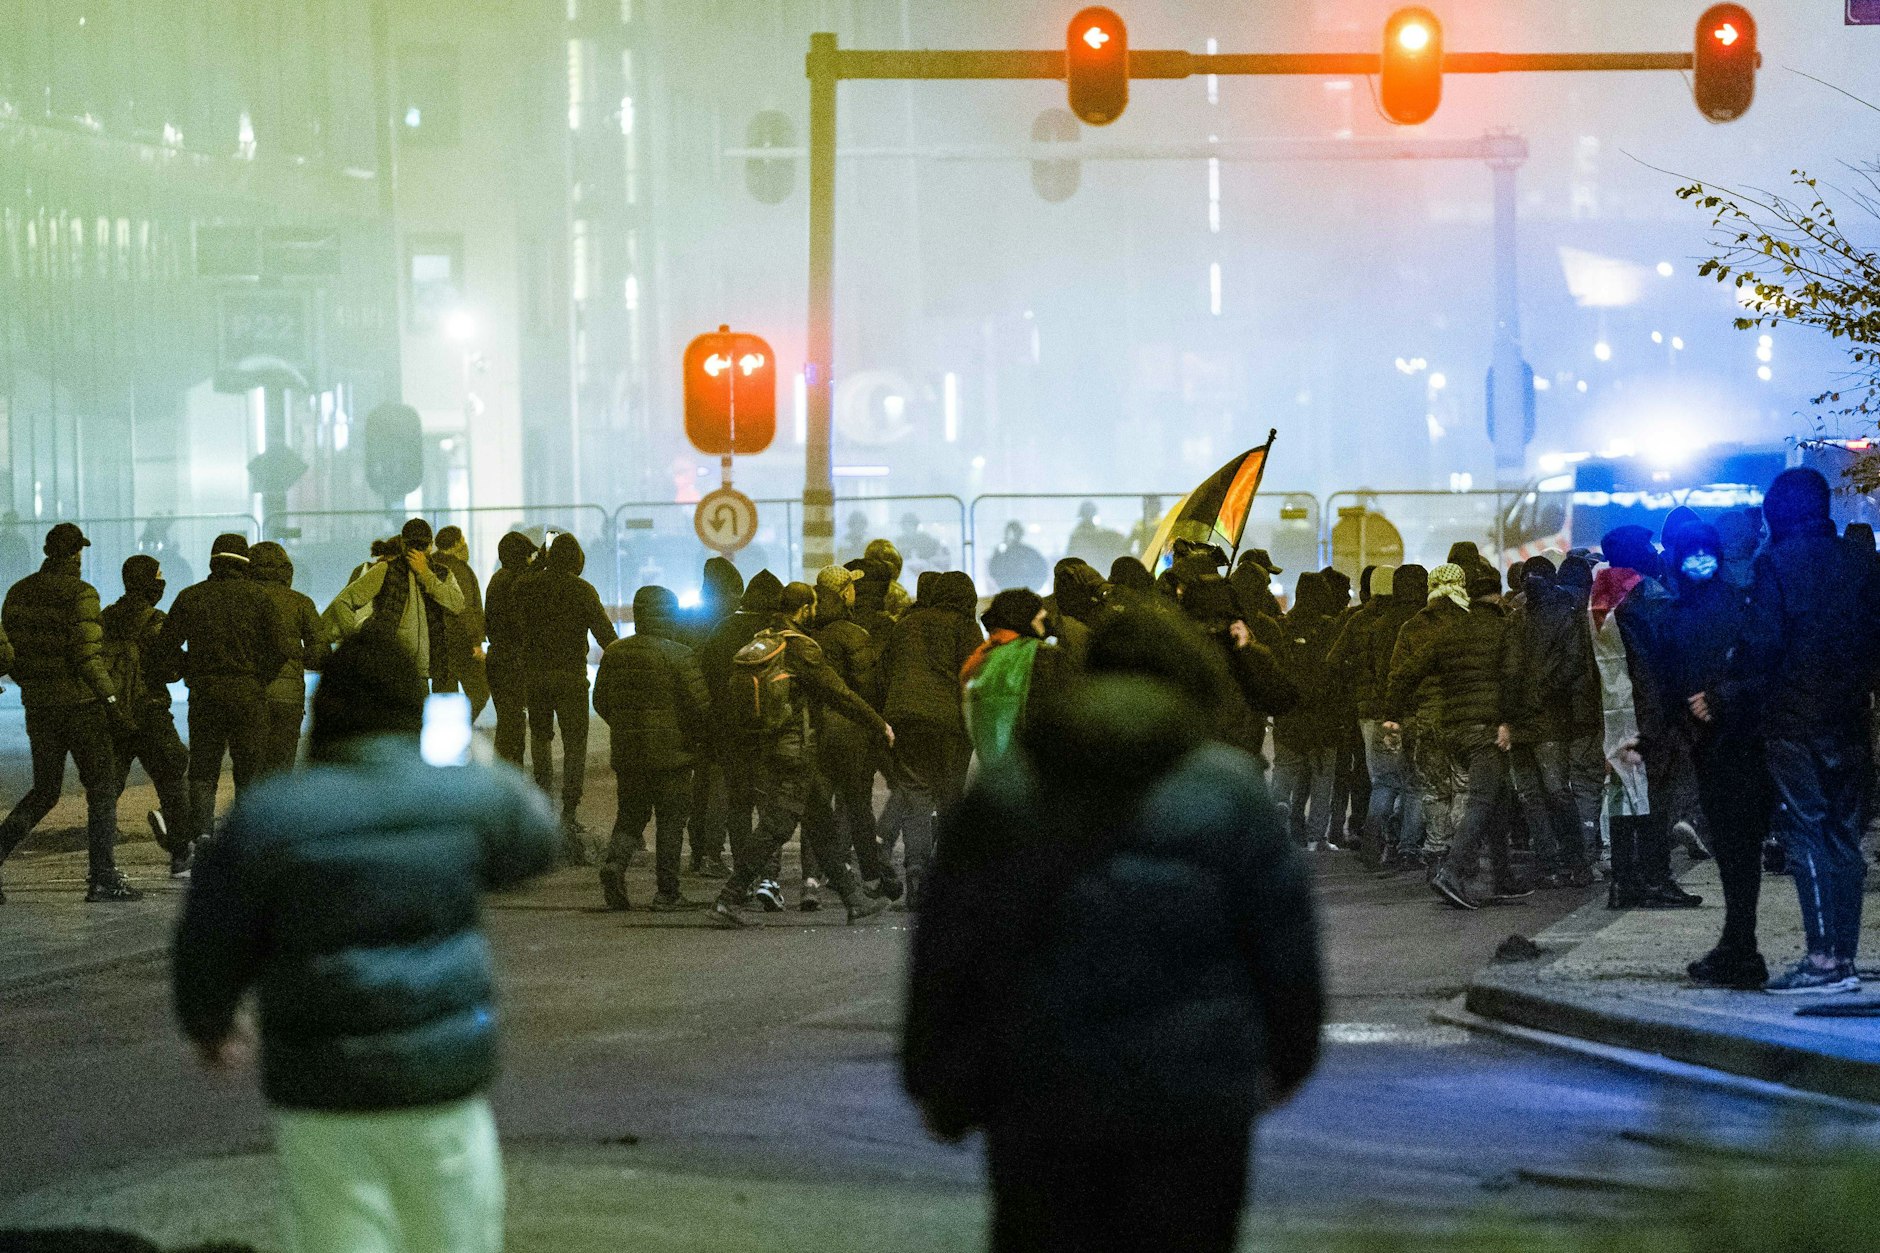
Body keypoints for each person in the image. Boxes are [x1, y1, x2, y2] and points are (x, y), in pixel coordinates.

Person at [903, 600, 1324, 1253]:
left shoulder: (1010, 790)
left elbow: (950, 942)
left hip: (1042, 1091)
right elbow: (1284, 944)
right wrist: (1287, 1058)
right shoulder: (1231, 790)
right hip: (1193, 1099)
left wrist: (937, 1078)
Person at [172, 634, 558, 1253]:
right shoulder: (459, 795)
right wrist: (480, 763)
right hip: (439, 1079)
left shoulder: (270, 813)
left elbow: (209, 939)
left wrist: (211, 1024)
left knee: (337, 1233)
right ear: (414, 709)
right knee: (453, 1233)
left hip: (321, 1085)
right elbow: (537, 841)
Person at [1721, 469, 1880, 993]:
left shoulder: (1778, 565)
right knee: (1844, 837)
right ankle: (1846, 959)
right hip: (1852, 718)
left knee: (1806, 831)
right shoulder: (1863, 562)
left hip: (1793, 719)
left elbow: (1763, 644)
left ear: (1777, 512)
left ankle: (1822, 960)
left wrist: (1733, 685)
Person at [711, 582, 895, 928]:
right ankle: (729, 897)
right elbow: (838, 691)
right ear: (806, 608)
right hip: (795, 749)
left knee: (821, 828)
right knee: (776, 826)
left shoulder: (763, 636)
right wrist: (877, 722)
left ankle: (854, 900)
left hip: (776, 745)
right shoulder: (800, 648)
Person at [1655, 522, 1771, 990]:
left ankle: (1740, 945)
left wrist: (1714, 701)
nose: (1699, 562)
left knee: (1737, 847)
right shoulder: (1735, 604)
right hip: (1728, 742)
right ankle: (1738, 942)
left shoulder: (1687, 611)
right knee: (1736, 847)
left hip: (1730, 744)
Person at [0, 523, 139, 902]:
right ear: (76, 553)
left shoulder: (18, 592)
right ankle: (103, 877)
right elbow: (86, 655)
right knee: (101, 788)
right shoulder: (81, 593)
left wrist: (30, 681)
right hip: (80, 707)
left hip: (39, 705)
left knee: (45, 791)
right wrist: (111, 701)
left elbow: (9, 652)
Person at [1387, 566, 1528, 909]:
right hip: (1487, 728)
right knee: (1482, 799)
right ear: (1495, 598)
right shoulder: (1503, 628)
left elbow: (1406, 672)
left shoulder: (1449, 631)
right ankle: (1451, 872)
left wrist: (1391, 713)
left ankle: (1503, 876)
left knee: (1498, 798)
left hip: (1455, 729)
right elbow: (1512, 678)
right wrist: (1508, 721)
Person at [1590, 526, 1702, 912]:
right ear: (1640, 554)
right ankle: (1656, 878)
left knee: (1623, 796)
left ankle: (1624, 882)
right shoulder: (1648, 595)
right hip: (1654, 713)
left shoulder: (1597, 598)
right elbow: (1675, 653)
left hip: (1613, 715)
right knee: (1656, 796)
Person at [158, 533, 290, 847]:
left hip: (205, 693)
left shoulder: (191, 597)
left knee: (204, 769)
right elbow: (282, 648)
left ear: (213, 561)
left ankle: (202, 834)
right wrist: (260, 677)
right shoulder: (260, 597)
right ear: (245, 562)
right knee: (248, 769)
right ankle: (246, 838)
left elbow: (166, 646)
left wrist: (188, 668)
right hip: (248, 693)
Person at [593, 585, 710, 911]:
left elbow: (600, 701)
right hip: (673, 754)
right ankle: (667, 892)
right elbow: (701, 707)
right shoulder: (680, 654)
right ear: (670, 615)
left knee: (630, 815)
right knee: (671, 820)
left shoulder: (616, 653)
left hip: (629, 751)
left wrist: (624, 726)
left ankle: (614, 864)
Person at [880, 570, 983, 907]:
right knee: (950, 798)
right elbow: (975, 673)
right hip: (948, 723)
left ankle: (916, 871)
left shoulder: (907, 622)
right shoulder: (963, 625)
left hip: (904, 719)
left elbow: (886, 668)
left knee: (915, 798)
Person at [514, 533, 617, 860]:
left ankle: (542, 800)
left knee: (541, 736)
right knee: (575, 743)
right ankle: (569, 811)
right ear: (577, 560)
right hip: (571, 676)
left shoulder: (527, 588)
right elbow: (606, 636)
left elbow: (516, 603)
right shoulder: (582, 590)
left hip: (535, 674)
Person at [1498, 556, 1597, 890]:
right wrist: (1543, 693)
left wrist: (1512, 709)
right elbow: (1573, 665)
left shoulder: (1516, 619)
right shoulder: (1563, 616)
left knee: (1535, 794)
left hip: (1524, 717)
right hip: (1546, 717)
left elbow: (1508, 671)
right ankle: (1573, 861)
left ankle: (1552, 862)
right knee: (1553, 792)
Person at [100, 555, 196, 877]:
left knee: (107, 789)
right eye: (159, 576)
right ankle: (181, 856)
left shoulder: (106, 618)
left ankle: (102, 865)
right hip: (150, 710)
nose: (162, 582)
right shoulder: (156, 620)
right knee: (171, 781)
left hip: (114, 714)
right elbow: (168, 668)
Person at [809, 564, 899, 901]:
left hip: (816, 730)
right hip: (851, 732)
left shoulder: (807, 631)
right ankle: (872, 877)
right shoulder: (852, 633)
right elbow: (865, 687)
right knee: (858, 806)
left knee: (817, 808)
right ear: (844, 591)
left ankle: (812, 882)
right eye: (851, 586)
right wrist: (878, 722)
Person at [698, 571, 785, 901]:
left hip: (729, 732)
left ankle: (741, 870)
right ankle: (767, 875)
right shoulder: (775, 634)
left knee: (739, 804)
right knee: (769, 803)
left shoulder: (723, 629)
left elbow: (706, 676)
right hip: (768, 732)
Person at [323, 519, 466, 689]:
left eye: (422, 544)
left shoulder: (442, 573)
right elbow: (343, 602)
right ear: (404, 544)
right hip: (392, 668)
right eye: (413, 544)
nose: (418, 549)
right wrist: (358, 640)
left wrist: (425, 573)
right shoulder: (386, 570)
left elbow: (457, 604)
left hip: (430, 668)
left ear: (430, 545)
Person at [1270, 572, 1343, 851]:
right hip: (1323, 715)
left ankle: (1277, 832)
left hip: (1290, 714)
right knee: (1323, 776)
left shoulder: (1284, 626)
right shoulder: (1330, 628)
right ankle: (1316, 837)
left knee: (1285, 770)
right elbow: (1335, 672)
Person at [961, 588, 1067, 772]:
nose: (1044, 615)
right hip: (1036, 763)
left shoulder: (982, 656)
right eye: (1038, 611)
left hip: (994, 765)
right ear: (1024, 616)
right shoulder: (1043, 655)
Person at [249, 542, 331, 775]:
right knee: (281, 768)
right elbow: (320, 654)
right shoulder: (300, 602)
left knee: (249, 769)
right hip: (287, 697)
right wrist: (295, 656)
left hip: (248, 695)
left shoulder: (240, 600)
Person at [483, 531, 539, 768]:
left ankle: (506, 772)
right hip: (510, 660)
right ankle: (509, 775)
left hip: (498, 658)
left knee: (508, 720)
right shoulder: (512, 582)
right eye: (527, 556)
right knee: (513, 722)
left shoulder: (499, 578)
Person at [433, 526, 490, 723]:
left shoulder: (432, 566)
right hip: (461, 642)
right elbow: (464, 607)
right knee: (480, 691)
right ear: (457, 543)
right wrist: (475, 641)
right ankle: (460, 727)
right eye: (463, 540)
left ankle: (446, 739)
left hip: (438, 642)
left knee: (445, 696)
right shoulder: (457, 569)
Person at [988, 521, 1049, 593]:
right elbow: (994, 571)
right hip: (1010, 593)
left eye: (1015, 533)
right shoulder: (1001, 555)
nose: (1012, 537)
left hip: (1025, 594)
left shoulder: (1031, 554)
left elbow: (1042, 572)